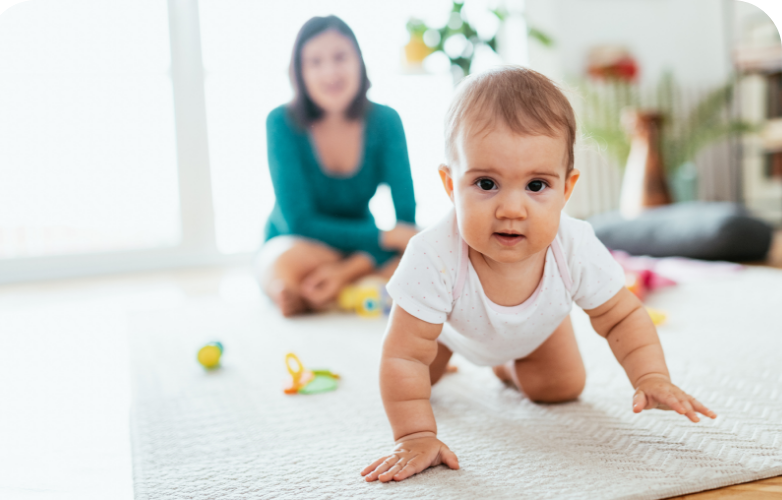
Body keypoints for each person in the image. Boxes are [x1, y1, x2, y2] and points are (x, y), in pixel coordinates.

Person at [361, 67, 717, 483]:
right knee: (417, 379)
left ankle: (507, 368)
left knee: (561, 387)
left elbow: (622, 316)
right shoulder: (433, 254)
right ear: (449, 184)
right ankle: (460, 364)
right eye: (487, 183)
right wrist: (415, 434)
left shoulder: (575, 246)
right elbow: (402, 354)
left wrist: (651, 375)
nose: (512, 208)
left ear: (566, 190)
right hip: (445, 332)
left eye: (536, 186)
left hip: (538, 331)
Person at [255, 16, 418, 317]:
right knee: (279, 264)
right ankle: (329, 289)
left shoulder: (386, 121)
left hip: (359, 248)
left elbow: (407, 224)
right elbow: (299, 223)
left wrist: (347, 269)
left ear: (359, 61)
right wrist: (383, 238)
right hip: (300, 244)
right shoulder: (281, 122)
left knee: (415, 254)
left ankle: (338, 284)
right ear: (299, 73)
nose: (329, 71)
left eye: (340, 57)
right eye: (315, 62)